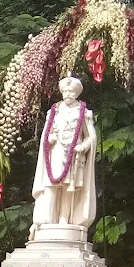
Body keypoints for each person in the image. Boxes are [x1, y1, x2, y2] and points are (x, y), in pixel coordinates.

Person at [30, 75, 98, 235]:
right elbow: (46, 134)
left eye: (71, 91)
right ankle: (46, 218)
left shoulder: (84, 113)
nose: (68, 94)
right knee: (51, 186)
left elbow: (91, 136)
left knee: (69, 188)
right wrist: (50, 138)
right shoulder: (54, 111)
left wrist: (83, 146)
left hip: (74, 156)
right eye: (65, 91)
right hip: (55, 153)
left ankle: (64, 218)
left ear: (77, 93)